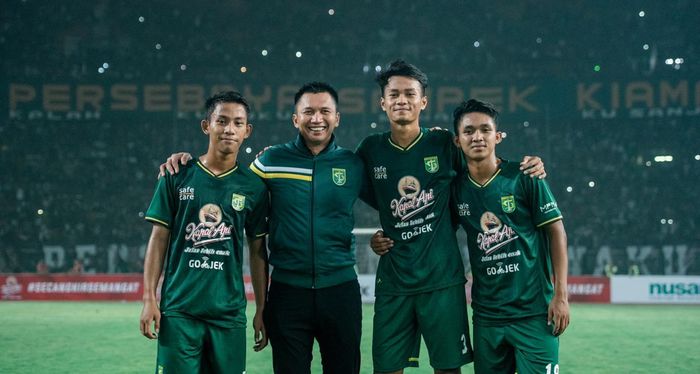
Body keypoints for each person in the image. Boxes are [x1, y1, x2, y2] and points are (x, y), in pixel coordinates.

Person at [160, 82, 365, 374]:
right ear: (296, 119)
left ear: (337, 117)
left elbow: (388, 194)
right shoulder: (271, 161)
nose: (316, 118)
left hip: (340, 289)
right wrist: (184, 162)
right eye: (308, 112)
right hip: (288, 293)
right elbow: (228, 179)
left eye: (324, 111)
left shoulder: (354, 164)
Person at [361, 60, 546, 374]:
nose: (401, 100)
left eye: (410, 93)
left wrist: (531, 165)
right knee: (386, 369)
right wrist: (382, 234)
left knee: (448, 369)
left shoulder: (445, 144)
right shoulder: (370, 150)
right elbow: (367, 194)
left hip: (442, 281)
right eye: (394, 94)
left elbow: (485, 167)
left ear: (424, 101)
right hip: (394, 281)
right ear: (383, 102)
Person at [140, 91, 269, 374]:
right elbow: (158, 238)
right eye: (221, 121)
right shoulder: (176, 174)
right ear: (206, 125)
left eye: (237, 123)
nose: (229, 129)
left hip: (229, 315)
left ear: (247, 131)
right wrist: (149, 297)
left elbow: (258, 250)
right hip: (179, 312)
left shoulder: (254, 187)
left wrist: (262, 307)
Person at [451, 99, 570, 374]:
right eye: (469, 131)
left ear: (498, 136)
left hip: (534, 314)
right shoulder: (456, 189)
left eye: (485, 130)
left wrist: (561, 295)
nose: (477, 137)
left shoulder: (526, 176)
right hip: (487, 317)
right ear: (457, 141)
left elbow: (557, 232)